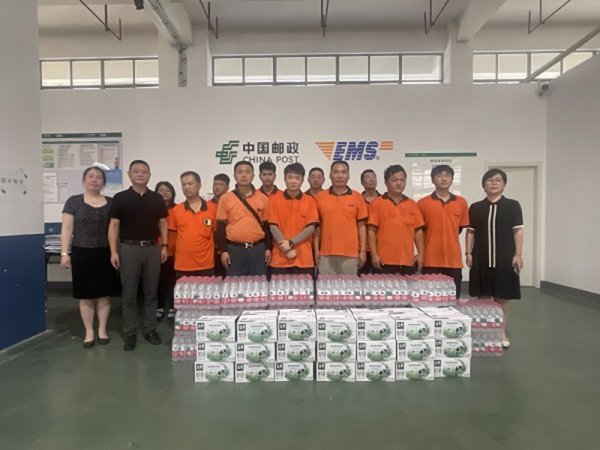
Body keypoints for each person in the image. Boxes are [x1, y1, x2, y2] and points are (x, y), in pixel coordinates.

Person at [108, 160, 168, 351]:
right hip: (129, 248)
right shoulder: (120, 198)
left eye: (144, 172)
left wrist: (164, 245)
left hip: (152, 248)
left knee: (151, 292)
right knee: (129, 293)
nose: (140, 174)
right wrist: (114, 251)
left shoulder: (156, 198)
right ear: (129, 174)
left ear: (149, 175)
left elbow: (163, 222)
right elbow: (114, 226)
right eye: (136, 171)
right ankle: (130, 332)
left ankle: (150, 329)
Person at [60, 167, 117, 348]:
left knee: (103, 294)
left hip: (104, 253)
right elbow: (67, 229)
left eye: (99, 177)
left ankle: (102, 329)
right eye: (91, 176)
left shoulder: (111, 202)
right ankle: (89, 331)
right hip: (81, 252)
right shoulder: (74, 201)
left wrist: (115, 252)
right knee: (85, 295)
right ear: (84, 179)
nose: (94, 180)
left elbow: (114, 229)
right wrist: (64, 253)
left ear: (103, 182)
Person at [466, 169, 524, 348]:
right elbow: (470, 232)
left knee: (502, 298)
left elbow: (518, 231)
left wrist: (518, 254)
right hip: (481, 258)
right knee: (482, 297)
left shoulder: (513, 206)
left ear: (504, 184)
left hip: (504, 258)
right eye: (490, 180)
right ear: (483, 185)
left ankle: (501, 332)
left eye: (498, 180)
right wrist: (468, 253)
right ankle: (482, 331)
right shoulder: (476, 207)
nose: (494, 183)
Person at [417, 165, 469, 298]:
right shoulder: (422, 203)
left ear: (452, 179)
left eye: (447, 175)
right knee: (430, 298)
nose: (444, 179)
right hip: (430, 259)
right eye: (439, 176)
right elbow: (419, 232)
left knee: (453, 298)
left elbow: (460, 228)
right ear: (432, 180)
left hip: (453, 259)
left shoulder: (461, 202)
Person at [216, 161, 271, 276]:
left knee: (258, 284)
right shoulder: (225, 198)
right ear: (234, 176)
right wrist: (224, 251)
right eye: (240, 172)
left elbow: (267, 226)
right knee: (235, 284)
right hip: (234, 250)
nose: (244, 175)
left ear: (253, 176)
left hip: (258, 249)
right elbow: (220, 227)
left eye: (247, 172)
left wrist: (268, 248)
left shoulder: (263, 198)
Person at [368, 165, 425, 275]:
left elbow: (418, 231)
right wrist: (374, 255)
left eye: (402, 180)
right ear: (386, 183)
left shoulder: (412, 204)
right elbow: (371, 231)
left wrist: (421, 254)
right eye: (394, 180)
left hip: (408, 261)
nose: (399, 183)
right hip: (383, 261)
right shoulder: (377, 203)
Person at [314, 161, 368, 275]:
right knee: (326, 286)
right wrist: (316, 249)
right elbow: (316, 227)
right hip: (325, 254)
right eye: (336, 172)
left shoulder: (357, 197)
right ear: (330, 175)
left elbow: (362, 226)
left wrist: (363, 251)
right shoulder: (320, 197)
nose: (340, 176)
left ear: (349, 175)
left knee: (348, 286)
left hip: (350, 254)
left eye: (343, 172)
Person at [268, 163, 319, 276]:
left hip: (304, 259)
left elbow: (310, 228)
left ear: (302, 180)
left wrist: (290, 243)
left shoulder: (310, 200)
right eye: (290, 177)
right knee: (278, 288)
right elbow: (273, 226)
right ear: (284, 179)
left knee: (305, 288)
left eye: (297, 178)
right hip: (279, 258)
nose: (293, 181)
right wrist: (286, 249)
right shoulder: (274, 199)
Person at [169, 171, 217, 278]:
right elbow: (173, 237)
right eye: (183, 184)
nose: (186, 187)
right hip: (182, 266)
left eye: (190, 184)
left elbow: (216, 234)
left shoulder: (213, 208)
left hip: (206, 265)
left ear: (199, 185)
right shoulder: (176, 210)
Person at [155, 181, 177, 321]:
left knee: (172, 281)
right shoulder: (152, 209)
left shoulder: (178, 209)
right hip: (156, 249)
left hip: (174, 250)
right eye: (161, 190)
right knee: (158, 280)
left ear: (172, 193)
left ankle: (173, 307)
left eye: (167, 190)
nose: (164, 193)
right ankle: (160, 306)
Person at [359, 169, 381, 275]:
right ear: (362, 182)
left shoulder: (384, 200)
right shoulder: (357, 200)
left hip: (380, 249)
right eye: (368, 177)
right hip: (361, 249)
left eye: (374, 177)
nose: (371, 179)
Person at [211, 173, 230, 277]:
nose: (217, 187)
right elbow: (206, 223)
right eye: (215, 184)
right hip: (212, 249)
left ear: (227, 187)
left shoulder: (232, 203)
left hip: (230, 247)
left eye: (221, 185)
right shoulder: (207, 205)